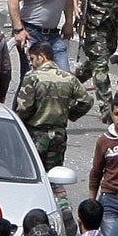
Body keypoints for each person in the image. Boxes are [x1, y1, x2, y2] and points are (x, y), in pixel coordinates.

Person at [16, 40, 93, 170]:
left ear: (42, 57)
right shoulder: (68, 78)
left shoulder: (32, 77)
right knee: (55, 174)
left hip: (36, 133)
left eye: (32, 58)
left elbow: (24, 108)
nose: (31, 63)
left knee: (32, 171)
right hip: (58, 135)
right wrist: (70, 114)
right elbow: (87, 101)